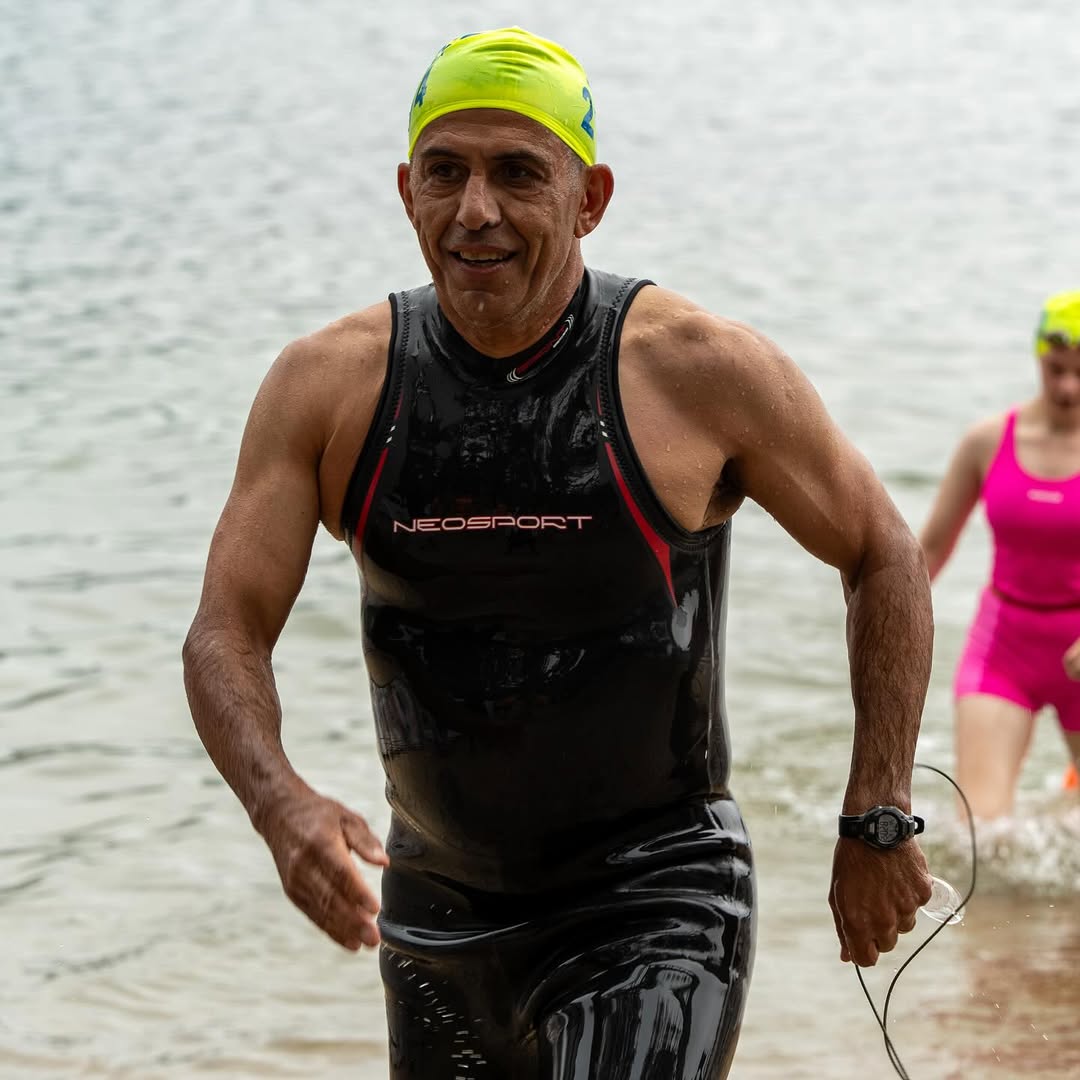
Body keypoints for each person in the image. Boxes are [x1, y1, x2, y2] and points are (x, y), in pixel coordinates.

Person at [182, 27, 934, 1078]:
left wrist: (879, 814)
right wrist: (280, 804)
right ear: (406, 190)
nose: (474, 209)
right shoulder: (331, 387)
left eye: (517, 174)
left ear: (591, 198)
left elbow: (881, 551)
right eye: (445, 172)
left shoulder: (694, 370)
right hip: (438, 910)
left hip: (657, 897)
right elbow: (226, 630)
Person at [920, 289, 1080, 821]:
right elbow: (933, 549)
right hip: (1005, 646)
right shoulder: (987, 441)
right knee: (982, 839)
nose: (1068, 387)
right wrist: (877, 613)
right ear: (1039, 353)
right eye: (1057, 369)